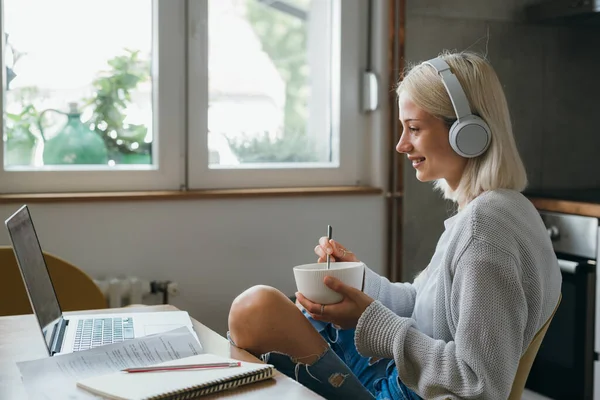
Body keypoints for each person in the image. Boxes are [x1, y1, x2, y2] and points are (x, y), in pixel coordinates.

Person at [227, 50, 562, 399]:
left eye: (414, 129)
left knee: (258, 310)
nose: (401, 145)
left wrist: (373, 322)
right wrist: (357, 281)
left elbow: (480, 384)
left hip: (406, 391)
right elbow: (425, 306)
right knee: (264, 311)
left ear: (468, 134)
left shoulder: (485, 231)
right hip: (406, 375)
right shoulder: (495, 211)